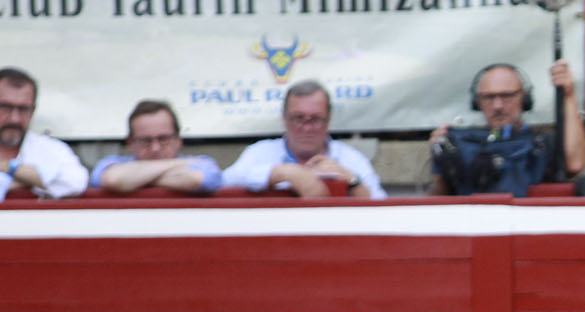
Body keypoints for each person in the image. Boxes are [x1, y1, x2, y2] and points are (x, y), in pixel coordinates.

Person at [428, 60, 585, 196]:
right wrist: (441, 155)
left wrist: (568, 95)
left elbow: (575, 164)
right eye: (489, 97)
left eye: (506, 96)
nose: (497, 106)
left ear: (524, 98)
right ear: (477, 102)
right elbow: (438, 198)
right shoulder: (461, 145)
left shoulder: (543, 142)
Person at [222, 81, 384, 199]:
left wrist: (352, 181)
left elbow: (381, 208)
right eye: (298, 118)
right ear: (284, 118)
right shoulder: (260, 152)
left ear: (328, 120)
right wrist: (284, 173)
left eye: (315, 119)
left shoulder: (350, 158)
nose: (306, 128)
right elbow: (224, 182)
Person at [90, 101, 222, 196]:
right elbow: (114, 180)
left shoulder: (204, 164)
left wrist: (135, 180)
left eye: (163, 139)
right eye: (145, 141)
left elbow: (195, 180)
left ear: (178, 140)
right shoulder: (110, 164)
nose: (155, 148)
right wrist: (180, 164)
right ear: (130, 143)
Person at [0, 66, 87, 201]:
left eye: (23, 109)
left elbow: (76, 182)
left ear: (33, 110)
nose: (15, 119)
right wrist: (34, 180)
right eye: (5, 107)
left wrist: (7, 167)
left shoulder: (51, 148)